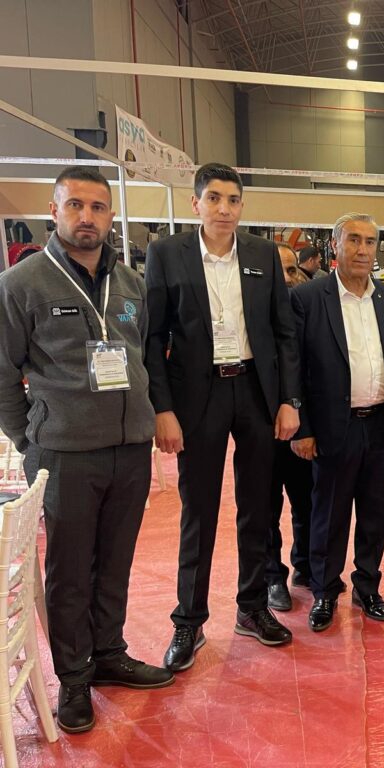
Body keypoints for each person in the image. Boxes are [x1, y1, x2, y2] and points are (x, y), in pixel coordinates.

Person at [0, 166, 174, 734]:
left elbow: (138, 356)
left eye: (98, 207)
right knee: (71, 570)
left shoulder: (129, 283)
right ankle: (74, 677)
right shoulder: (22, 283)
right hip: (65, 453)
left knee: (115, 560)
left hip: (129, 448)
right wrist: (32, 437)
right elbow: (3, 373)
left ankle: (108, 654)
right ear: (54, 211)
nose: (87, 217)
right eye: (74, 205)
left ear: (111, 216)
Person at [145, 162, 302, 672]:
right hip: (199, 395)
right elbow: (153, 338)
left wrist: (289, 400)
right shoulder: (167, 254)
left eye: (233, 200)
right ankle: (188, 620)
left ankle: (252, 606)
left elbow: (283, 332)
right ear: (196, 204)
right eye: (213, 198)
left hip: (255, 391)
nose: (224, 209)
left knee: (258, 505)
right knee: (199, 509)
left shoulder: (261, 253)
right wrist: (163, 409)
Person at [290, 213, 384, 631]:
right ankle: (324, 591)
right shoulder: (309, 297)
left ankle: (368, 586)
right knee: (329, 513)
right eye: (354, 240)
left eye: (370, 242)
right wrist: (303, 428)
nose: (362, 249)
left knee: (375, 512)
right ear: (335, 246)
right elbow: (295, 367)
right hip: (332, 425)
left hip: (381, 424)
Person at [264, 243, 314, 612]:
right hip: (261, 427)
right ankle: (272, 577)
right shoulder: (249, 312)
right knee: (265, 507)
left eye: (291, 269)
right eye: (276, 269)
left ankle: (306, 565)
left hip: (300, 423)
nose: (285, 277)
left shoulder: (306, 308)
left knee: (306, 500)